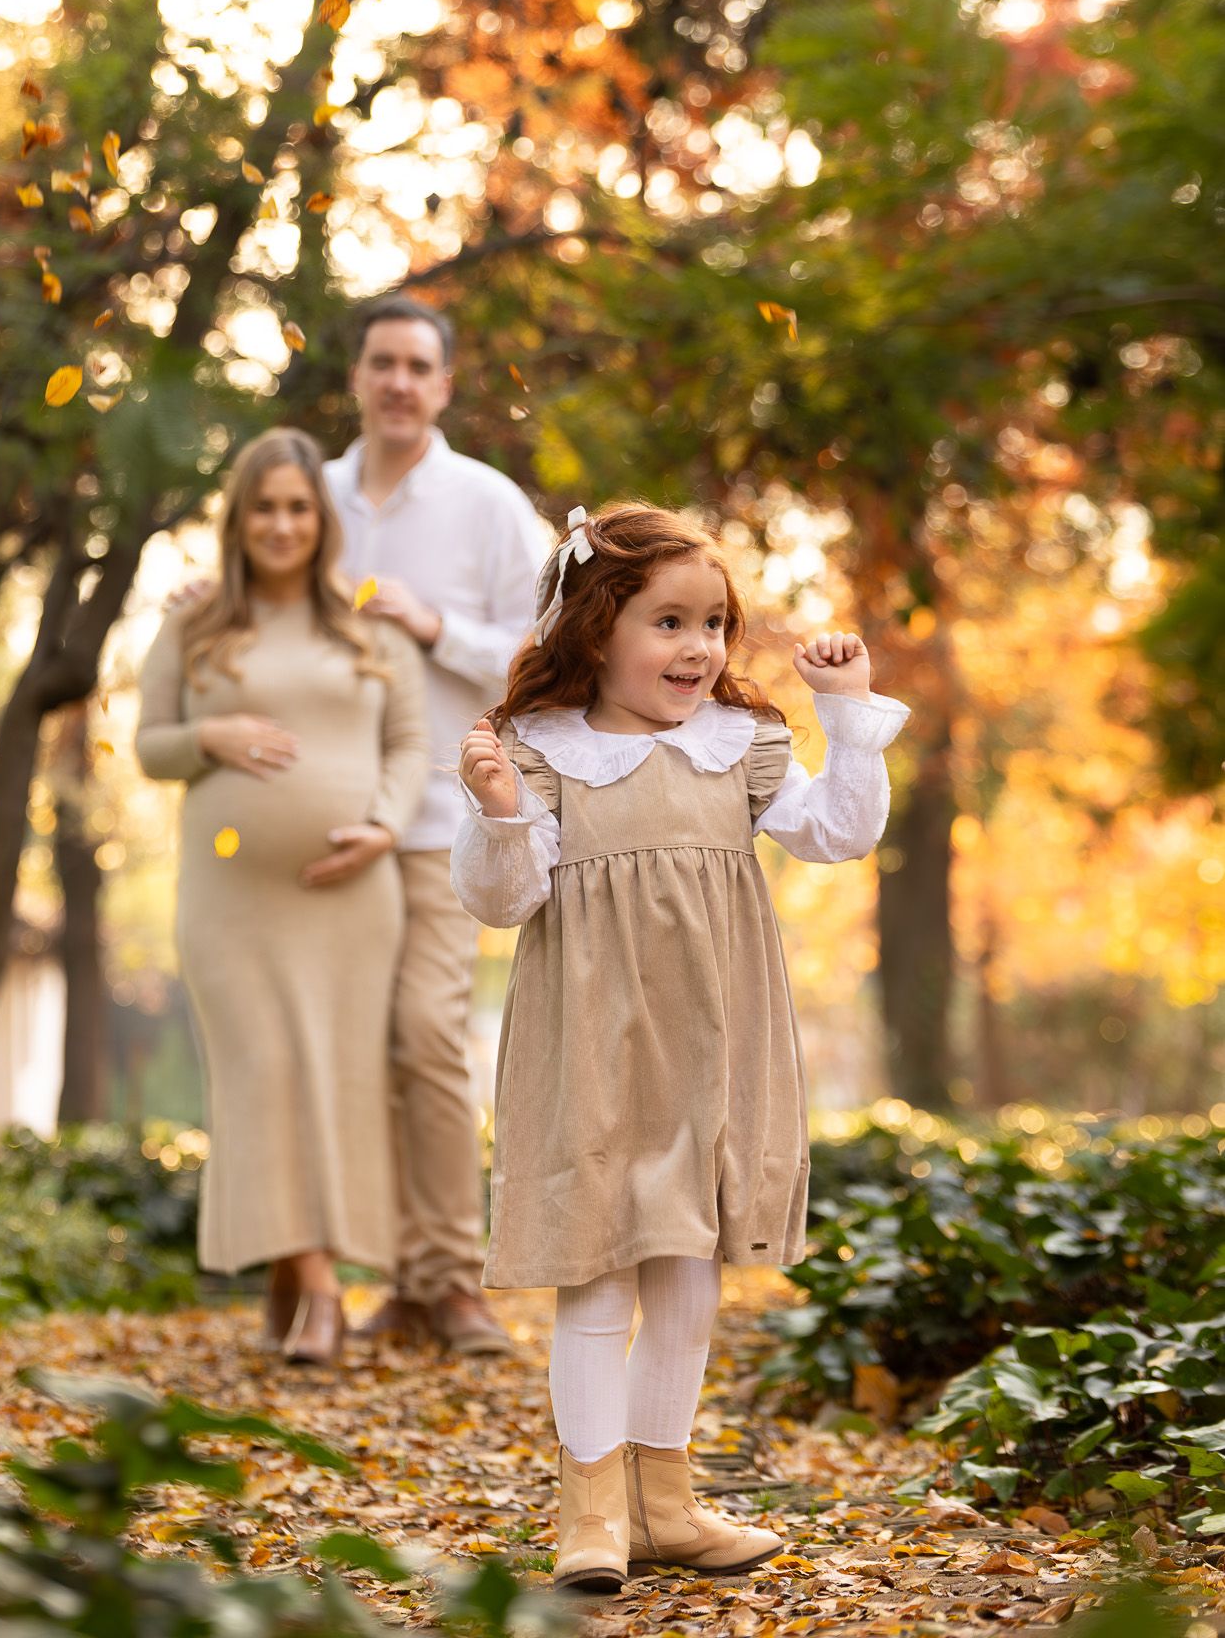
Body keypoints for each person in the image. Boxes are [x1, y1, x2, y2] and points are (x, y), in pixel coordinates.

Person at [451, 502, 910, 1592]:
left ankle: (666, 1499)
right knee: (600, 1275)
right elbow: (504, 901)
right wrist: (501, 807)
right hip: (594, 1050)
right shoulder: (542, 749)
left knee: (690, 1277)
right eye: (669, 621)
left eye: (714, 622)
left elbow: (840, 832)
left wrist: (844, 714)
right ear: (597, 627)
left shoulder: (738, 743)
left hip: (712, 1045)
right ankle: (593, 1506)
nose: (700, 645)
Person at [135, 428, 429, 1366]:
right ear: (238, 517)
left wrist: (383, 823)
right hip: (231, 900)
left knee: (336, 1083)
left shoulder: (370, 623)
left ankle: (296, 1287)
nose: (281, 523)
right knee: (262, 1077)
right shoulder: (191, 622)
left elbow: (410, 745)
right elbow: (149, 746)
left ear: (322, 519)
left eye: (298, 507)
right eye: (263, 506)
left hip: (351, 898)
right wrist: (210, 734)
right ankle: (319, 1290)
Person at [322, 297, 545, 1356]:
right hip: (326, 818)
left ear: (445, 385)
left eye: (419, 365)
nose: (400, 380)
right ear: (356, 376)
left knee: (426, 1036)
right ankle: (400, 1277)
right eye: (383, 362)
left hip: (434, 819)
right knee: (362, 1052)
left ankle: (455, 1278)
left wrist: (433, 624)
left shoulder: (489, 504)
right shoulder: (311, 497)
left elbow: (550, 654)